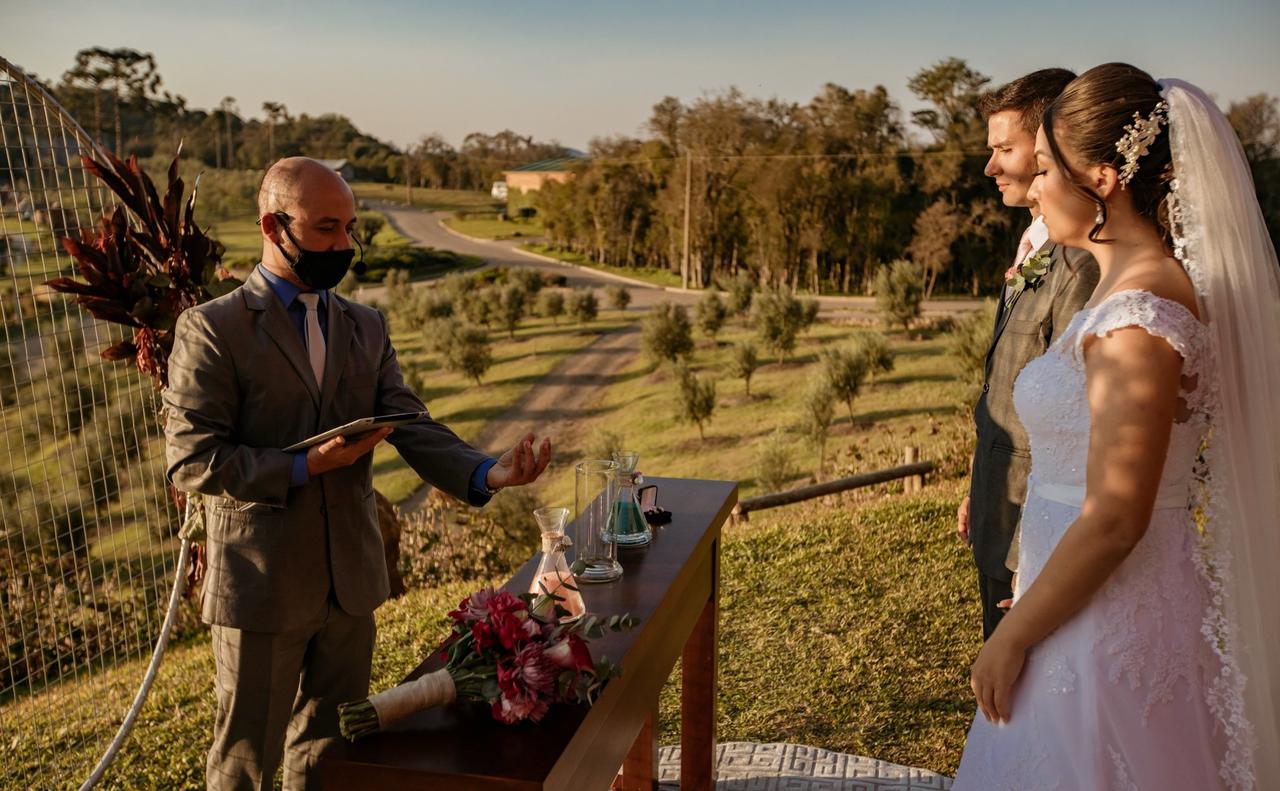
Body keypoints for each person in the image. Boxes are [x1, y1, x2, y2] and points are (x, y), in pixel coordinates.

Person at [163, 157, 552, 790]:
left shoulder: (365, 325)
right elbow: (191, 459)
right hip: (262, 587)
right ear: (272, 225)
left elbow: (410, 423)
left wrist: (487, 473)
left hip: (350, 585)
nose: (345, 245)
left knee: (329, 752)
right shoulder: (212, 330)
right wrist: (302, 465)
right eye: (326, 229)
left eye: (350, 228)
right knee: (246, 762)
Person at [954, 63, 1280, 789]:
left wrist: (1013, 634)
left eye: (1044, 169)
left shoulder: (1138, 318)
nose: (1034, 189)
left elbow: (1115, 518)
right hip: (1077, 598)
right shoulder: (1130, 287)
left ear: (1101, 177)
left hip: (1108, 628)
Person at [963, 69, 1099, 639]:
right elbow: (1007, 383)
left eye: (1006, 150)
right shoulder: (1031, 246)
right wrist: (978, 480)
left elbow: (1079, 423)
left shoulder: (1084, 265)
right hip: (999, 504)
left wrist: (1037, 552)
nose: (991, 167)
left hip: (1037, 527)